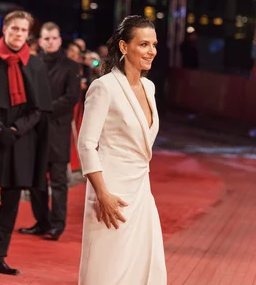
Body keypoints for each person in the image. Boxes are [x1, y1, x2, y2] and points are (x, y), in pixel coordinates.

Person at [77, 15, 166, 284]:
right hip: (111, 192)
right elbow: (86, 144)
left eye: (154, 44)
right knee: (109, 270)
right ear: (125, 47)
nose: (151, 51)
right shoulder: (104, 87)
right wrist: (102, 193)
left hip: (142, 192)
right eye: (144, 44)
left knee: (144, 269)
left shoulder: (149, 87)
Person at [0, 10, 52, 279]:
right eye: (14, 29)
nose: (18, 34)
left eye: (23, 30)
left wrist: (16, 130)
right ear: (4, 29)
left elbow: (39, 108)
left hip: (20, 141)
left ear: (28, 34)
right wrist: (0, 129)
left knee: (12, 204)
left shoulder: (36, 65)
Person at [19, 22, 80, 240]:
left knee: (58, 181)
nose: (50, 42)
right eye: (46, 38)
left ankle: (57, 224)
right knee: (36, 181)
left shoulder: (71, 67)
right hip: (34, 130)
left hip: (57, 130)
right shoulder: (33, 64)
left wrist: (43, 110)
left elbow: (71, 97)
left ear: (60, 40)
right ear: (40, 41)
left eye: (54, 38)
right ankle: (41, 221)